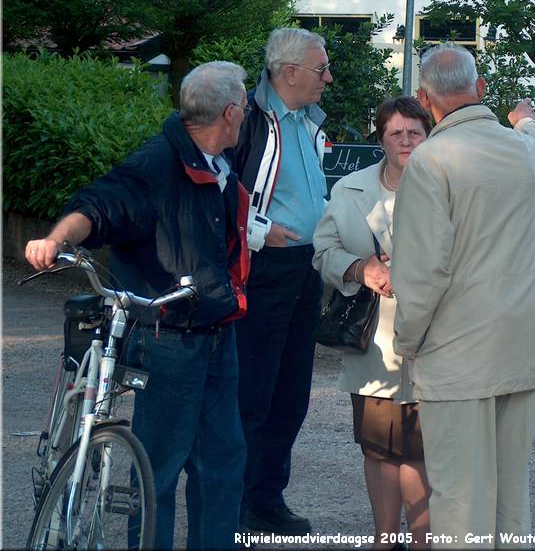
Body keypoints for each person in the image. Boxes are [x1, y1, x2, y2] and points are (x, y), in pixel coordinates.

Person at [24, 61, 251, 549]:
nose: (247, 113)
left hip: (215, 333)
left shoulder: (216, 164)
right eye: (246, 105)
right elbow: (98, 204)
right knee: (158, 472)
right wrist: (54, 241)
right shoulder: (156, 163)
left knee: (222, 465)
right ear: (230, 113)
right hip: (169, 338)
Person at [390, 44, 535, 547]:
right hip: (521, 345)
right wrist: (528, 121)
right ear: (481, 89)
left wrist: (407, 341)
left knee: (460, 497)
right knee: (512, 493)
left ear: (425, 101)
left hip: (457, 356)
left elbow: (423, 272)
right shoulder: (522, 150)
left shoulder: (429, 162)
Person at [312, 96, 433, 549]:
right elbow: (322, 250)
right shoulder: (350, 189)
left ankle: (423, 542)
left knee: (420, 451)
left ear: (428, 135)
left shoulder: (449, 186)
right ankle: (384, 538)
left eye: (414, 133)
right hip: (373, 341)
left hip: (432, 338)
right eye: (395, 133)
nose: (405, 141)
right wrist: (360, 269)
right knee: (378, 446)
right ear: (380, 138)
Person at [231, 27, 332, 535]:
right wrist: (259, 231)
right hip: (263, 272)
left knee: (292, 394)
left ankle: (267, 499)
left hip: (306, 268)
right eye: (321, 69)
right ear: (289, 72)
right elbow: (221, 186)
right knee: (253, 392)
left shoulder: (308, 121)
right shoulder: (247, 119)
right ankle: (239, 506)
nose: (328, 78)